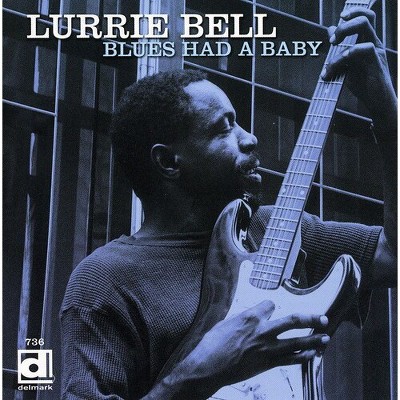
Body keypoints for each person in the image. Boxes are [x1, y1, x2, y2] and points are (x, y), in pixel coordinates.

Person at [60, 8, 397, 400]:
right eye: (224, 128)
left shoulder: (276, 229)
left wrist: (386, 111)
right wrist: (201, 373)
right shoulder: (104, 281)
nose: (250, 138)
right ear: (168, 162)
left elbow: (394, 255)